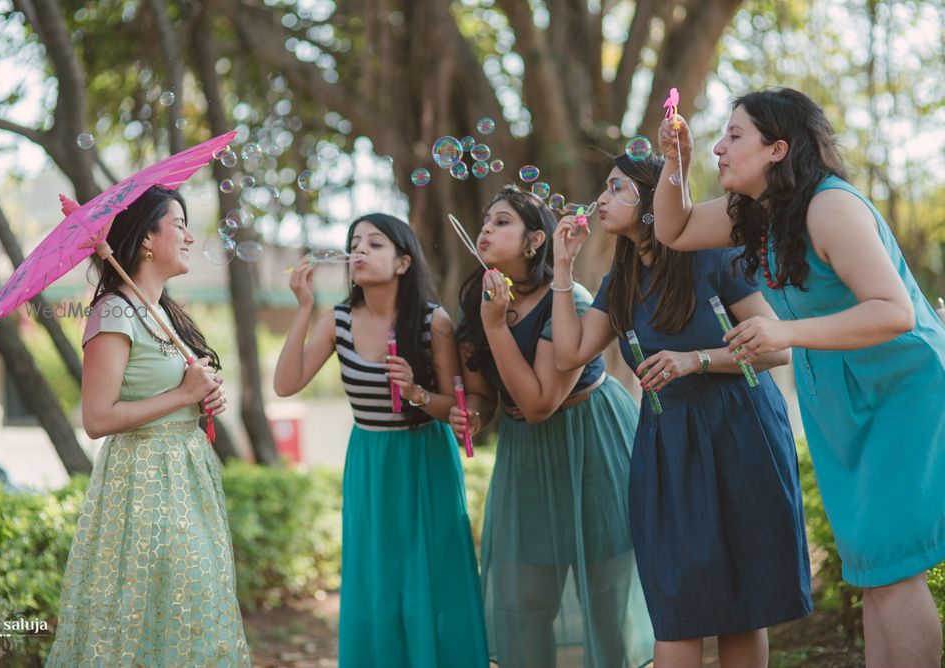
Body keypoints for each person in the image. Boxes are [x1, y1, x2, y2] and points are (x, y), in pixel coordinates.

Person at [652, 86, 945, 667]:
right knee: (872, 569)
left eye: (735, 136)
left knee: (891, 567)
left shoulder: (830, 206)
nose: (719, 147)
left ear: (778, 149)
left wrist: (785, 333)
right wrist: (673, 162)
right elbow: (674, 230)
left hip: (897, 387)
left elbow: (894, 311)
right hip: (839, 386)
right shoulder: (756, 215)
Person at [550, 153, 812, 667]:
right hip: (667, 442)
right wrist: (563, 267)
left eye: (617, 187)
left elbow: (778, 348)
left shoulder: (714, 258)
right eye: (604, 188)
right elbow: (569, 353)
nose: (602, 198)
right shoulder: (619, 281)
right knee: (675, 605)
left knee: (744, 604)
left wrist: (697, 360)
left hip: (740, 428)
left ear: (653, 202)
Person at [450, 185, 654, 668]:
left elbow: (540, 401)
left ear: (535, 240)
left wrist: (497, 326)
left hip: (590, 443)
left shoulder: (570, 301)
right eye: (485, 220)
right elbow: (485, 392)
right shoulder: (479, 298)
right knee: (524, 600)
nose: (485, 228)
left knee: (605, 602)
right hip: (526, 453)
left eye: (502, 222)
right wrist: (473, 413)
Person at [46, 186, 250, 666]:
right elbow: (97, 419)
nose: (187, 235)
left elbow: (171, 396)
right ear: (146, 240)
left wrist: (200, 401)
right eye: (178, 223)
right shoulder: (114, 310)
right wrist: (182, 395)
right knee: (150, 614)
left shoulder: (160, 311)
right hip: (144, 483)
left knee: (193, 609)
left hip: (186, 475)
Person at [273, 213, 488, 667]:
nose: (360, 252)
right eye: (355, 243)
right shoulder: (339, 321)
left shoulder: (435, 323)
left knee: (432, 579)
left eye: (374, 244)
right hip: (370, 461)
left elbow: (456, 408)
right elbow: (286, 384)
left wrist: (416, 393)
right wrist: (304, 307)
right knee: (378, 584)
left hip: (424, 459)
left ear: (403, 263)